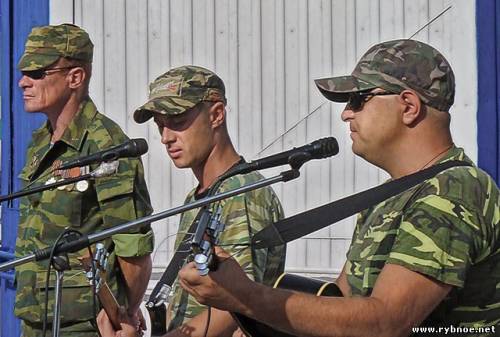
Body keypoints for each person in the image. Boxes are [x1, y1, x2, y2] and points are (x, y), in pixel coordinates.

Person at [176, 40, 500, 336]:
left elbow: (385, 322)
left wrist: (246, 296)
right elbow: (342, 301)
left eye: (359, 99)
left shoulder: (452, 191)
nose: (346, 113)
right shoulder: (392, 196)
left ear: (409, 106)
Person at [98, 65, 287, 337]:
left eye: (177, 121)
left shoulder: (239, 193)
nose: (165, 137)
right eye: (160, 125)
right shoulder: (204, 194)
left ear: (217, 115)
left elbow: (239, 307)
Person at [14, 24, 155, 337]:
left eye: (37, 73)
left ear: (75, 77)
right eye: (24, 72)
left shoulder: (106, 146)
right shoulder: (40, 142)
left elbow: (132, 245)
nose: (24, 82)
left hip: (85, 325)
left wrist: (127, 311)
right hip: (35, 319)